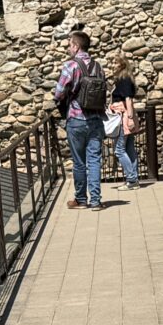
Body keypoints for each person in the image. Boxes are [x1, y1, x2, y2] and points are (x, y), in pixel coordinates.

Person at [51, 28, 108, 209]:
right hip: (96, 119)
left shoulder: (71, 66)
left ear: (76, 46)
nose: (68, 48)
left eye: (70, 45)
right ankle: (96, 201)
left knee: (79, 162)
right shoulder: (98, 67)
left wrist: (61, 100)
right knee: (94, 161)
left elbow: (59, 92)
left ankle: (81, 200)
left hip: (76, 119)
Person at [106, 55, 142, 190]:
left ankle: (131, 179)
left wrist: (130, 118)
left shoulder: (124, 79)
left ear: (121, 65)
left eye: (114, 63)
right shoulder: (124, 79)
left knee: (119, 150)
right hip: (126, 116)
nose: (111, 66)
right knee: (129, 148)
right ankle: (134, 180)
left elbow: (128, 99)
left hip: (123, 117)